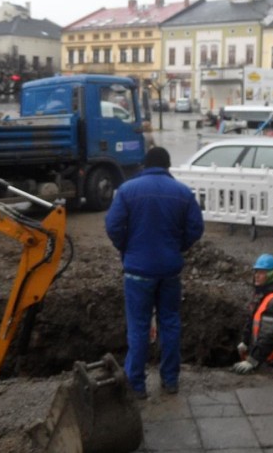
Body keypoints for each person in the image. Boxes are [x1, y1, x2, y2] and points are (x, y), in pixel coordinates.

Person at [105, 146, 204, 400]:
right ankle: (170, 380)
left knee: (138, 328)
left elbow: (113, 225)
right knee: (170, 323)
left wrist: (127, 247)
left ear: (144, 165)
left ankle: (136, 385)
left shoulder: (128, 191)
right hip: (170, 270)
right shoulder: (182, 192)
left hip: (137, 271)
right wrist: (178, 246)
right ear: (167, 166)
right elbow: (196, 227)